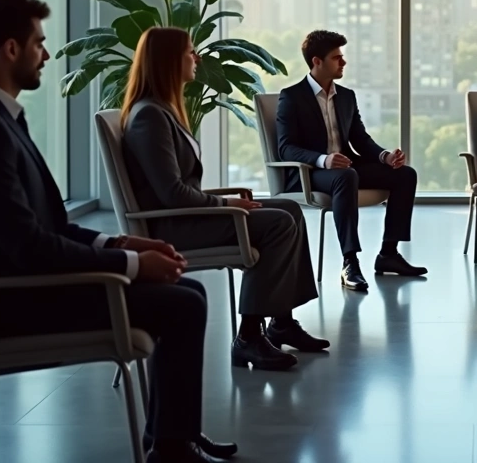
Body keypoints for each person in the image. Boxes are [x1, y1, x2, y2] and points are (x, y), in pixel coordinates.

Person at [0, 0, 234, 463]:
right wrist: (132, 264)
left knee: (189, 293)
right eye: (39, 43)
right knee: (182, 304)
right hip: (14, 303)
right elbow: (29, 247)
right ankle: (173, 446)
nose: (47, 55)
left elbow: (42, 226)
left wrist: (120, 241)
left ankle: (172, 437)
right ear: (11, 49)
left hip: (26, 284)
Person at [121, 27, 327, 372]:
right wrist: (225, 204)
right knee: (277, 223)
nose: (196, 58)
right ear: (169, 61)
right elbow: (171, 193)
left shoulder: (162, 111)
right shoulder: (150, 117)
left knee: (289, 207)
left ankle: (281, 321)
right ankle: (248, 336)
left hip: (186, 216)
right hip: (173, 227)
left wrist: (225, 201)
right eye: (190, 52)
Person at [276, 29, 427, 291]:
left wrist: (385, 156)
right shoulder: (292, 96)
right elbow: (286, 148)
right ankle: (350, 263)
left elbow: (361, 139)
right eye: (337, 58)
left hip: (346, 169)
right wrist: (324, 159)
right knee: (347, 175)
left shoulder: (346, 96)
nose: (343, 62)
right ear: (317, 61)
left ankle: (388, 254)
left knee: (405, 174)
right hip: (310, 172)